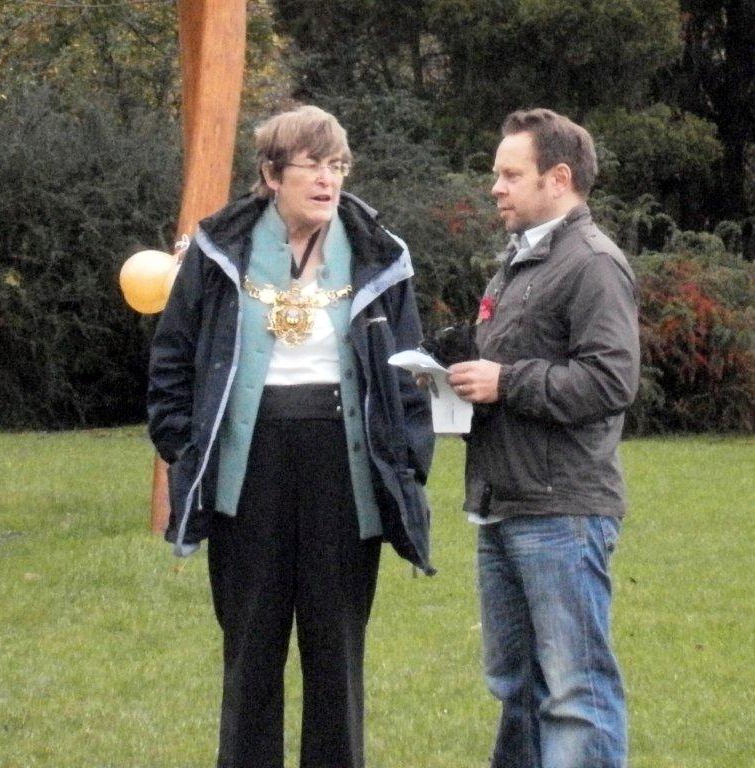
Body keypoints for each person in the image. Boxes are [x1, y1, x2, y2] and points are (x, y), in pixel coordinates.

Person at [147, 105, 434, 768]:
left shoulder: (380, 254)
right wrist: (187, 449)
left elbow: (409, 374)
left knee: (336, 655)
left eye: (338, 165)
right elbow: (171, 362)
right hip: (249, 468)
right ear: (272, 174)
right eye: (312, 165)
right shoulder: (218, 249)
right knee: (251, 650)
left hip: (345, 468)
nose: (328, 179)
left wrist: (407, 462)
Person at [447, 108, 640, 768]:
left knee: (575, 692)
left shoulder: (593, 263)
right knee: (518, 687)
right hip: (505, 502)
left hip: (563, 511)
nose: (495, 187)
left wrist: (506, 381)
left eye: (510, 175)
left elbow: (611, 381)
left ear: (558, 178)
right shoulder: (520, 262)